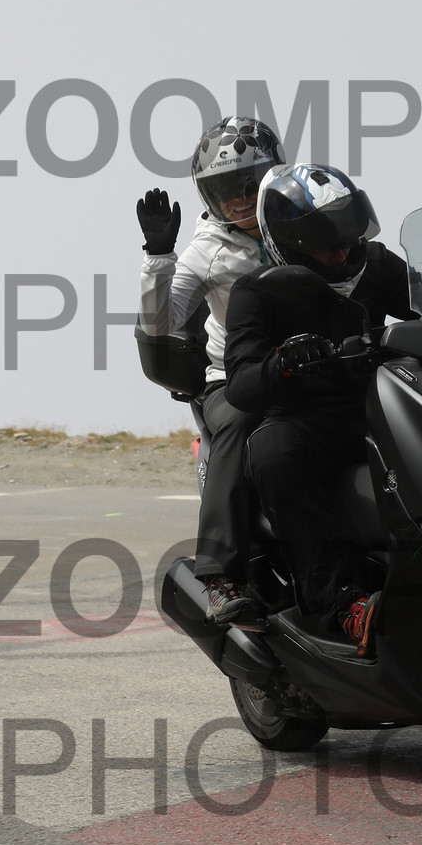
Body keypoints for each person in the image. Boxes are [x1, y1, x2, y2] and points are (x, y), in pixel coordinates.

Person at [222, 163, 416, 654]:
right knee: (273, 450)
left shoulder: (376, 264)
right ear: (290, 247)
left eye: (348, 238)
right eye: (328, 246)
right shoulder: (258, 291)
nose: (344, 252)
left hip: (386, 407)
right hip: (312, 423)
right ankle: (343, 605)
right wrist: (284, 363)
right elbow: (241, 383)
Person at [137, 116, 283, 623]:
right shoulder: (208, 250)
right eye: (223, 191)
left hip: (313, 367)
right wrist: (159, 256)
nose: (238, 201)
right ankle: (220, 578)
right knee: (239, 424)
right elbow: (161, 322)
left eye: (247, 186)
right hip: (235, 377)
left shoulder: (300, 215)